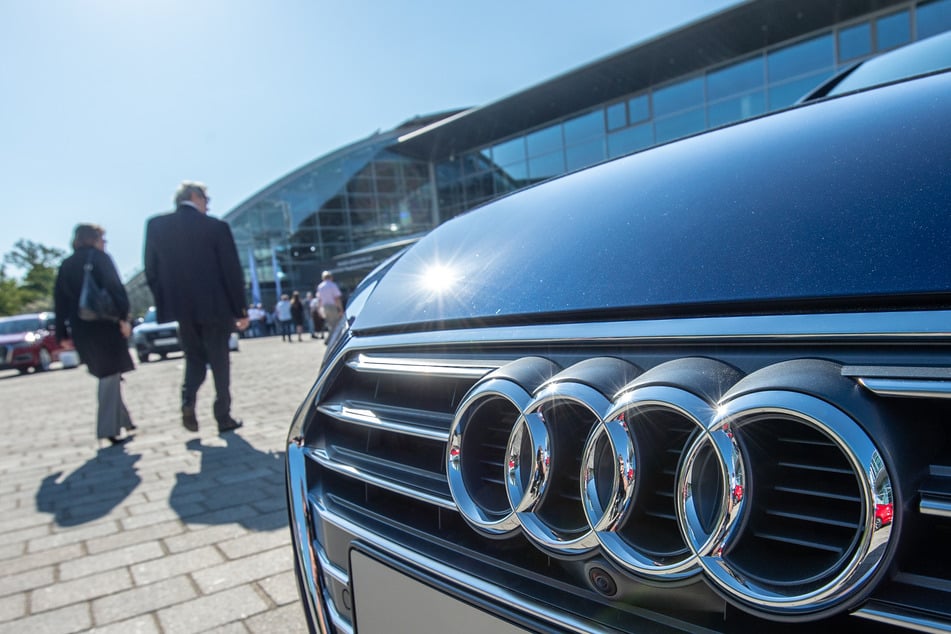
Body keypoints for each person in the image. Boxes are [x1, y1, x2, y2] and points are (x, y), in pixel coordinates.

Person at [144, 181, 249, 433]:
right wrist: (240, 310)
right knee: (219, 362)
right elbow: (231, 271)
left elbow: (151, 269)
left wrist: (167, 299)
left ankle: (188, 400)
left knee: (194, 358)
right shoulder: (216, 227)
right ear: (195, 197)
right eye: (206, 201)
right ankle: (222, 416)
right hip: (216, 307)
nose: (207, 206)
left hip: (182, 310)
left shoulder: (157, 226)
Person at [54, 224, 136, 446]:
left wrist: (61, 333)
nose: (105, 243)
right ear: (94, 239)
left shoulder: (66, 264)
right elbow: (116, 289)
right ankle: (107, 429)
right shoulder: (100, 259)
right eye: (103, 238)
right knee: (109, 374)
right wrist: (123, 318)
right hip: (105, 325)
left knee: (108, 373)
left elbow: (59, 301)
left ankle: (125, 421)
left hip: (81, 330)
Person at [316, 270, 343, 340]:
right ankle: (329, 339)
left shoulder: (320, 286)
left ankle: (331, 339)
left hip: (324, 307)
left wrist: (319, 310)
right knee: (336, 324)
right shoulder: (332, 285)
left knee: (330, 324)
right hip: (332, 306)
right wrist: (340, 309)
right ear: (330, 277)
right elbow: (337, 298)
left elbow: (319, 300)